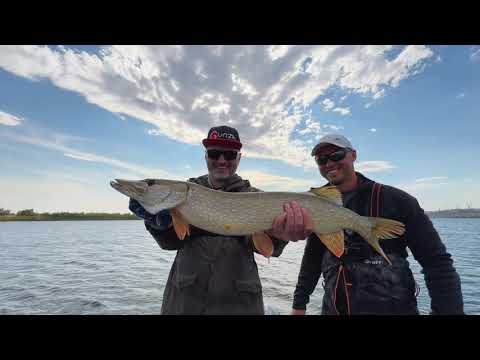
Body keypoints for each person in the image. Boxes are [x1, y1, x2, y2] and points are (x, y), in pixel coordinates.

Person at [129, 125, 312, 315]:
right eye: (215, 153)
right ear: (206, 156)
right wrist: (157, 225)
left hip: (239, 304)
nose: (222, 160)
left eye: (230, 155)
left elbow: (268, 248)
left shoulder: (254, 197)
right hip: (184, 302)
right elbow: (170, 242)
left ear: (239, 158)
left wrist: (281, 236)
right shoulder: (185, 192)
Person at [291, 134, 464, 315]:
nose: (329, 163)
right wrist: (299, 304)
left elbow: (437, 263)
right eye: (322, 159)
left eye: (337, 155)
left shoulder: (398, 201)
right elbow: (313, 257)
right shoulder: (316, 204)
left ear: (353, 155)